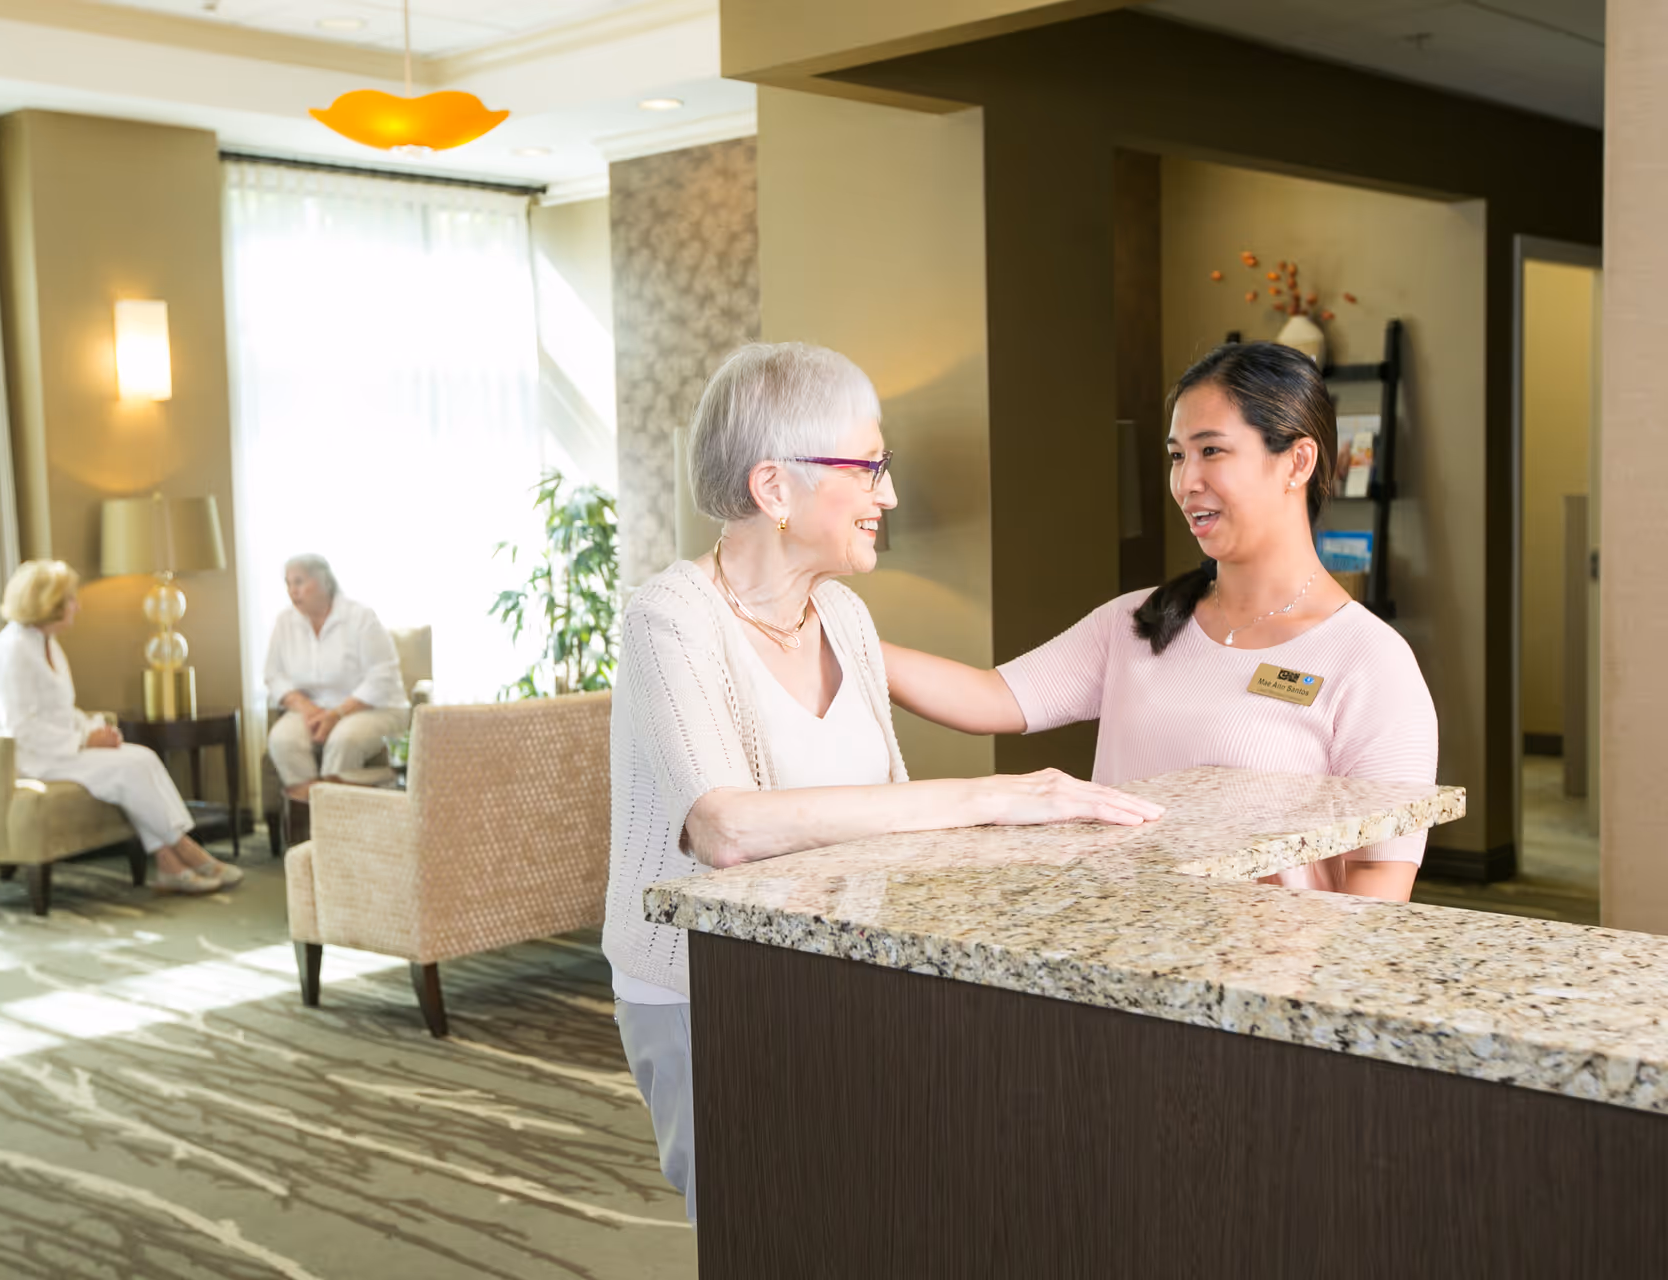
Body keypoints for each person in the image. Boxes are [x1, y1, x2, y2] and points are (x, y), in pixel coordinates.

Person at [605, 342, 1165, 1224]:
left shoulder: (845, 617)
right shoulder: (668, 618)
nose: (889, 496)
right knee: (759, 1227)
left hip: (847, 980)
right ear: (774, 488)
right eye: (867, 469)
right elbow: (725, 829)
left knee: (866, 1218)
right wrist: (988, 798)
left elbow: (887, 827)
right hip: (706, 991)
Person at [886, 341, 1438, 901]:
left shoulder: (1370, 660)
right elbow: (990, 697)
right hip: (1119, 955)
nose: (1185, 482)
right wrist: (835, 632)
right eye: (1177, 456)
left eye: (1212, 451)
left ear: (1297, 461)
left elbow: (1377, 883)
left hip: (1266, 973)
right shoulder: (1137, 622)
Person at [0, 560, 238, 895]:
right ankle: (185, 849)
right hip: (31, 756)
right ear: (51, 605)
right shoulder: (13, 650)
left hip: (60, 747)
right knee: (127, 770)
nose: (78, 605)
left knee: (142, 758)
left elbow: (59, 710)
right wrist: (86, 740)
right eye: (71, 599)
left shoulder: (45, 643)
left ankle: (168, 862)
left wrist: (96, 729)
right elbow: (21, 727)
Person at [263, 555, 409, 802]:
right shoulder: (285, 622)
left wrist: (336, 714)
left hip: (376, 708)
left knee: (344, 739)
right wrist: (307, 708)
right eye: (288, 584)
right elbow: (274, 675)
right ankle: (310, 819)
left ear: (324, 581)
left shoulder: (361, 617)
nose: (292, 591)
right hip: (312, 708)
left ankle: (336, 821)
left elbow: (381, 678)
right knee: (282, 740)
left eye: (299, 582)